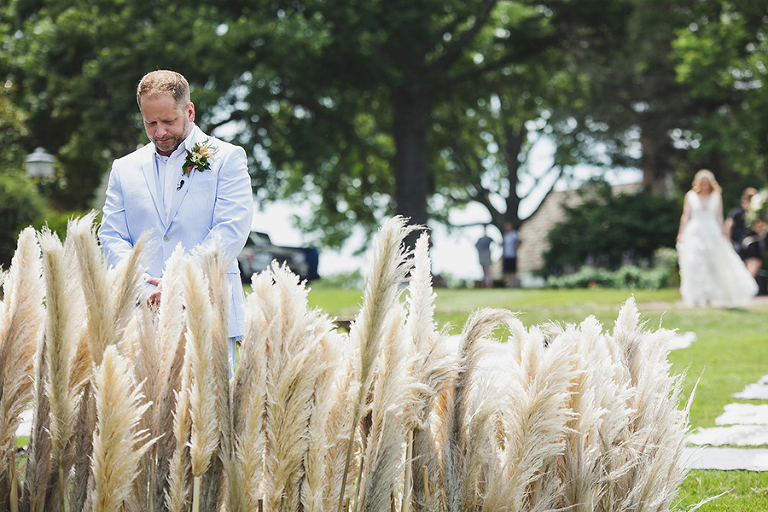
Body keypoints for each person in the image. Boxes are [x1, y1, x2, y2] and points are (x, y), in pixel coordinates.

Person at [98, 70, 253, 373]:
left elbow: (230, 231)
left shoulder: (227, 158)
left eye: (168, 121)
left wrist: (178, 280)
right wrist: (143, 286)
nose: (159, 132)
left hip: (209, 311)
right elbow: (111, 236)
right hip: (141, 318)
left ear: (189, 111)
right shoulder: (124, 168)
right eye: (150, 123)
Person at [676, 170, 757, 307]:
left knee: (712, 263)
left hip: (711, 232)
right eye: (702, 182)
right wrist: (681, 233)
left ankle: (709, 296)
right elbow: (686, 215)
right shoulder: (690, 195)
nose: (705, 185)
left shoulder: (716, 196)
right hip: (695, 231)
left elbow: (719, 217)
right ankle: (696, 296)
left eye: (707, 182)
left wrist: (723, 235)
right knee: (695, 262)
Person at [724, 187, 765, 278]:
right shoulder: (741, 212)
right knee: (753, 264)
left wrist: (729, 240)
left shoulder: (738, 211)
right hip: (748, 244)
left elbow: (728, 224)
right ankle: (747, 285)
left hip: (741, 243)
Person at [502, 221, 521, 287]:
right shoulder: (505, 235)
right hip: (507, 254)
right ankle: (510, 284)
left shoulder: (514, 234)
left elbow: (520, 241)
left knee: (513, 271)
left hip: (512, 255)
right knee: (508, 271)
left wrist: (516, 247)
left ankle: (514, 284)